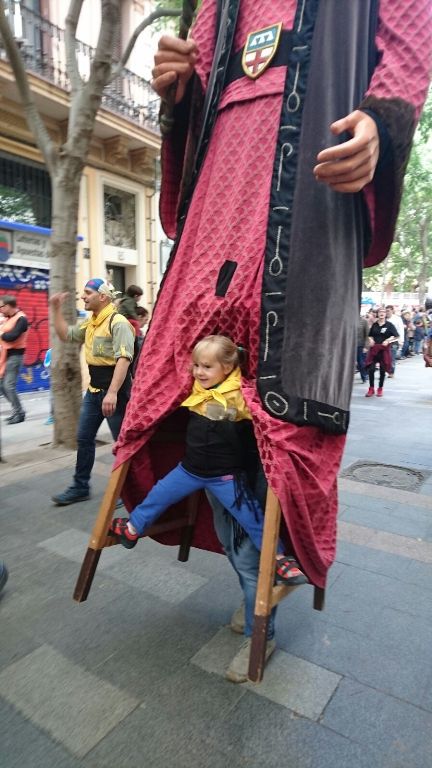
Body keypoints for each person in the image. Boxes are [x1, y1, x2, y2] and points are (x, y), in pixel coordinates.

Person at [111, 2, 431, 679]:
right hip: (219, 188)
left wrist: (381, 122)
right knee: (219, 462)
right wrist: (178, 89)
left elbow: (409, 40)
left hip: (308, 182)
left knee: (273, 449)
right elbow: (196, 73)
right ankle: (253, 579)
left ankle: (265, 590)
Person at [110, 335, 306, 588]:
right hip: (189, 470)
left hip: (226, 477)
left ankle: (279, 559)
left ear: (227, 367)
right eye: (196, 365)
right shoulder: (193, 387)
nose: (199, 372)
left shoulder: (240, 394)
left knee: (253, 517)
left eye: (207, 366)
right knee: (158, 495)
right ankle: (132, 529)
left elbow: (266, 419)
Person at [50, 278, 135, 506]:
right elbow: (66, 335)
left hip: (116, 394)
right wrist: (55, 309)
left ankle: (127, 490)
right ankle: (80, 487)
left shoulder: (118, 323)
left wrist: (113, 393)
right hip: (94, 392)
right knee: (84, 438)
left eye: (87, 292)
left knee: (122, 444)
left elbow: (124, 359)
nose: (83, 297)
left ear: (103, 296)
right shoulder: (91, 322)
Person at [0, 295, 28, 424]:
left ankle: (19, 413)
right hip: (5, 356)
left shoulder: (21, 319)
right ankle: (17, 411)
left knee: (8, 385)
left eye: (1, 306)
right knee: (2, 385)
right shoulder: (7, 318)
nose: (0, 309)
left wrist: (1, 334)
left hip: (15, 356)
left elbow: (13, 336)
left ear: (8, 306)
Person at [364, 307, 398, 397]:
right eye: (380, 312)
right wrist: (371, 340)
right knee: (371, 369)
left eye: (383, 312)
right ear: (377, 314)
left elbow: (396, 336)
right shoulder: (374, 325)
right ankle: (371, 388)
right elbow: (370, 335)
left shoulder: (389, 325)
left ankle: (380, 388)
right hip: (374, 349)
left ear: (386, 314)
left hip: (384, 350)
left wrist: (388, 340)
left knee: (382, 370)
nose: (382, 313)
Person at [385, 305, 404, 376]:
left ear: (392, 311)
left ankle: (391, 372)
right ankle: (385, 370)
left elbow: (401, 330)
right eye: (386, 311)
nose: (387, 312)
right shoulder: (384, 319)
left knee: (392, 357)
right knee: (384, 357)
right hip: (384, 341)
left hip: (394, 341)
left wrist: (401, 341)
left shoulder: (397, 319)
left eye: (388, 311)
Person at [356, 314, 369, 383]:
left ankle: (364, 376)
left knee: (361, 363)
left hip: (360, 345)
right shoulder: (349, 320)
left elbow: (367, 335)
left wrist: (366, 346)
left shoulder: (364, 321)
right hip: (350, 346)